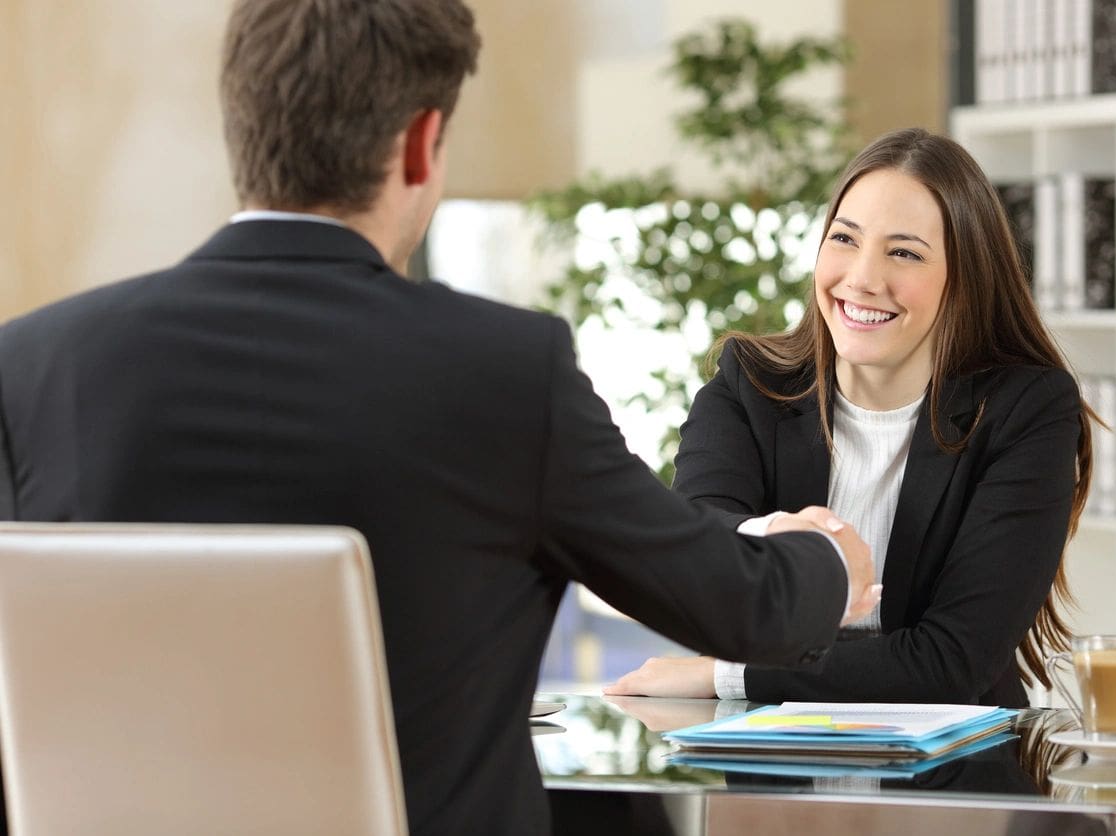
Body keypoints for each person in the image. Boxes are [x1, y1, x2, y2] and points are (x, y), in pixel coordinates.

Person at [0, 1, 880, 834]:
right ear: (422, 143)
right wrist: (827, 559)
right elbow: (729, 602)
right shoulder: (502, 372)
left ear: (241, 127)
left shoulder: (36, 364)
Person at [606, 127, 1096, 709]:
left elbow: (952, 662)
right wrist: (764, 537)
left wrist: (725, 676)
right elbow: (695, 552)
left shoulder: (1026, 408)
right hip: (774, 767)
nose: (862, 278)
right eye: (844, 239)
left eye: (905, 252)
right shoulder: (751, 382)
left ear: (964, 279)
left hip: (957, 777)